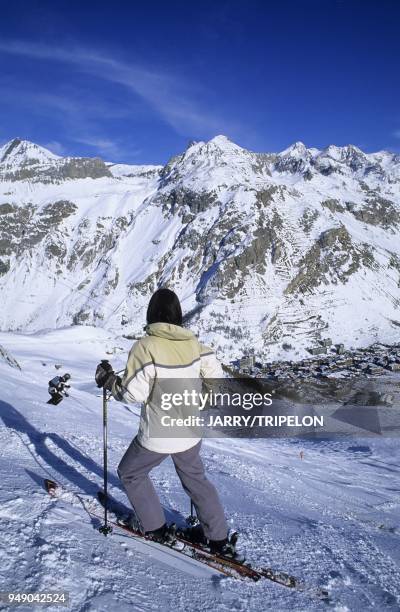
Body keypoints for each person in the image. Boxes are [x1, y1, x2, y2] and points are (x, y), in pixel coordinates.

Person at [95, 288, 238, 558]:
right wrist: (198, 400)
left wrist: (110, 381)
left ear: (152, 314)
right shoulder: (195, 344)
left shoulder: (145, 346)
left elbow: (132, 394)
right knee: (196, 480)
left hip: (158, 433)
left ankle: (155, 527)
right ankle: (218, 539)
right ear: (178, 316)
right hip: (190, 431)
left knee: (131, 473)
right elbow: (216, 379)